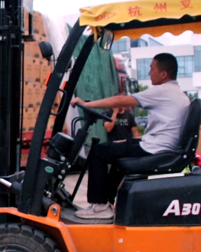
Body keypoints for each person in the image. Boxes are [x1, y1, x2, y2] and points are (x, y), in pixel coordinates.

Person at [70, 53, 190, 220]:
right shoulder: (176, 93)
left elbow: (121, 101)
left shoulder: (162, 91)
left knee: (98, 152)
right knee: (115, 153)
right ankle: (106, 204)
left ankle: (99, 206)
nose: (149, 73)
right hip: (159, 146)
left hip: (154, 149)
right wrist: (129, 141)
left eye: (151, 68)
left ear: (163, 74)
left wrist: (86, 104)